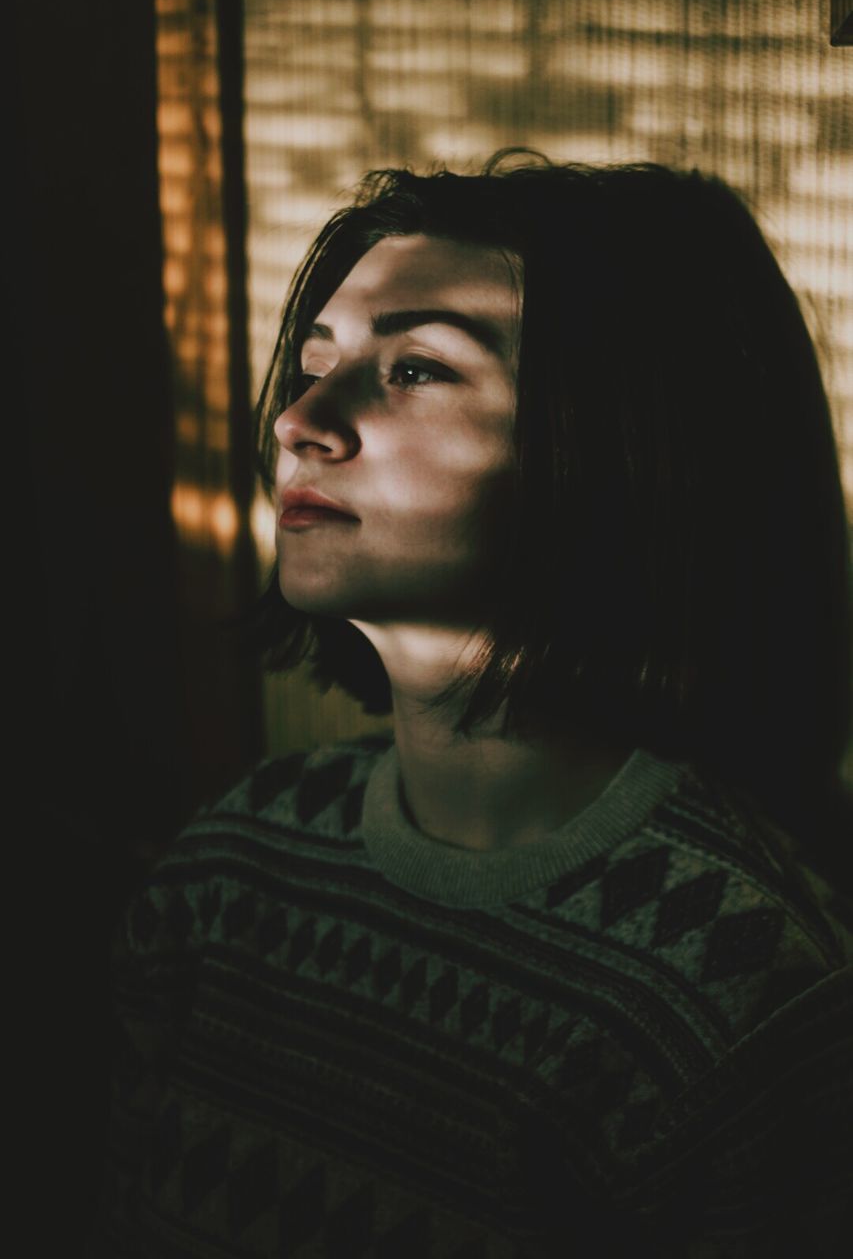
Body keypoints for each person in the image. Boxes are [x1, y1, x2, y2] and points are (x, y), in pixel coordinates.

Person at [88, 154, 853, 1257]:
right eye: (314, 363)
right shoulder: (229, 867)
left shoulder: (736, 989)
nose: (301, 419)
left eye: (414, 369)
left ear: (621, 443)